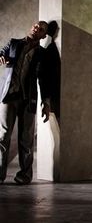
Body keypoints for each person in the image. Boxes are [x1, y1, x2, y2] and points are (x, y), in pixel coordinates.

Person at [0, 21, 51, 185]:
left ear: (44, 35)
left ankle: (24, 176)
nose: (37, 28)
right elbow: (1, 53)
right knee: (2, 136)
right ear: (31, 27)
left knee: (26, 139)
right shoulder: (14, 43)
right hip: (8, 96)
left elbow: (44, 80)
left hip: (28, 100)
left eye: (41, 29)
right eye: (36, 25)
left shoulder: (42, 53)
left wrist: (46, 102)